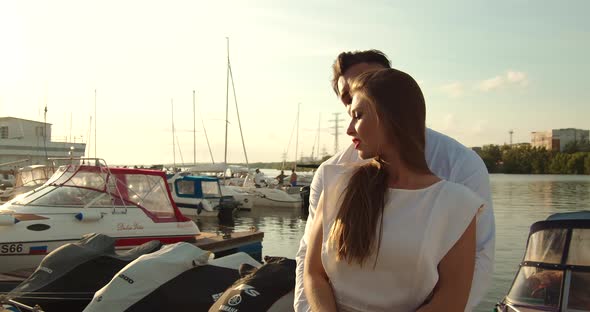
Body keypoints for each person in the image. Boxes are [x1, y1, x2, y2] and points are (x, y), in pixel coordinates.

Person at [294, 50, 495, 312]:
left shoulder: (460, 175)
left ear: (391, 104)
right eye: (348, 98)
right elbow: (311, 266)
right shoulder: (335, 178)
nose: (349, 127)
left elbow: (467, 278)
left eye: (370, 83)